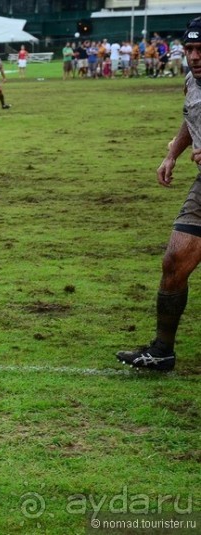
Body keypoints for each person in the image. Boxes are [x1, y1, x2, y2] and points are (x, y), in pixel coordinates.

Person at [117, 18, 201, 372]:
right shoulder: (192, 80)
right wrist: (172, 154)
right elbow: (191, 118)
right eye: (190, 49)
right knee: (174, 260)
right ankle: (163, 349)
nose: (195, 57)